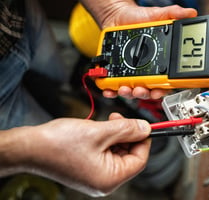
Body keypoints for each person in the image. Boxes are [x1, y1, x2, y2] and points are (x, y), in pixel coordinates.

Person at [0, 0, 197, 197]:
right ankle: (71, 120)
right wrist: (27, 150)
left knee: (57, 83)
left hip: (19, 18)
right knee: (44, 121)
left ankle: (69, 111)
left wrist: (112, 9)